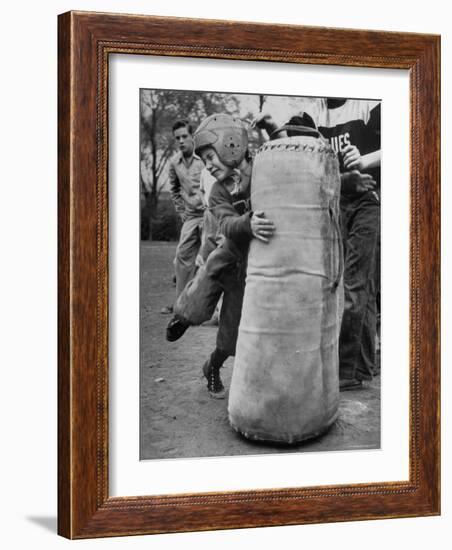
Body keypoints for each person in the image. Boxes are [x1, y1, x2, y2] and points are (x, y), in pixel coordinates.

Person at [166, 113, 275, 398]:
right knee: (199, 293)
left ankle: (211, 367)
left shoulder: (262, 172)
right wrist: (247, 223)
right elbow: (226, 224)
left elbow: (285, 163)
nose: (209, 165)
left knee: (230, 337)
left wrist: (272, 130)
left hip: (249, 270)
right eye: (203, 160)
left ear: (232, 145)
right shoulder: (216, 192)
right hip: (227, 255)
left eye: (211, 156)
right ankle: (183, 316)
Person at [316, 98, 381, 390]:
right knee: (357, 285)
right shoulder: (317, 112)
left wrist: (365, 158)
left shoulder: (367, 103)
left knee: (355, 285)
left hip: (371, 202)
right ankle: (364, 364)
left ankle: (347, 371)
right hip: (340, 202)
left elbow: (413, 139)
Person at [160, 119, 205, 314]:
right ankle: (181, 305)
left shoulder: (205, 157)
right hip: (191, 216)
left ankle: (211, 307)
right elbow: (174, 189)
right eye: (177, 138)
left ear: (192, 137)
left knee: (210, 258)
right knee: (182, 257)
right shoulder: (174, 163)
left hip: (210, 214)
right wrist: (181, 212)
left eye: (184, 136)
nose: (181, 141)